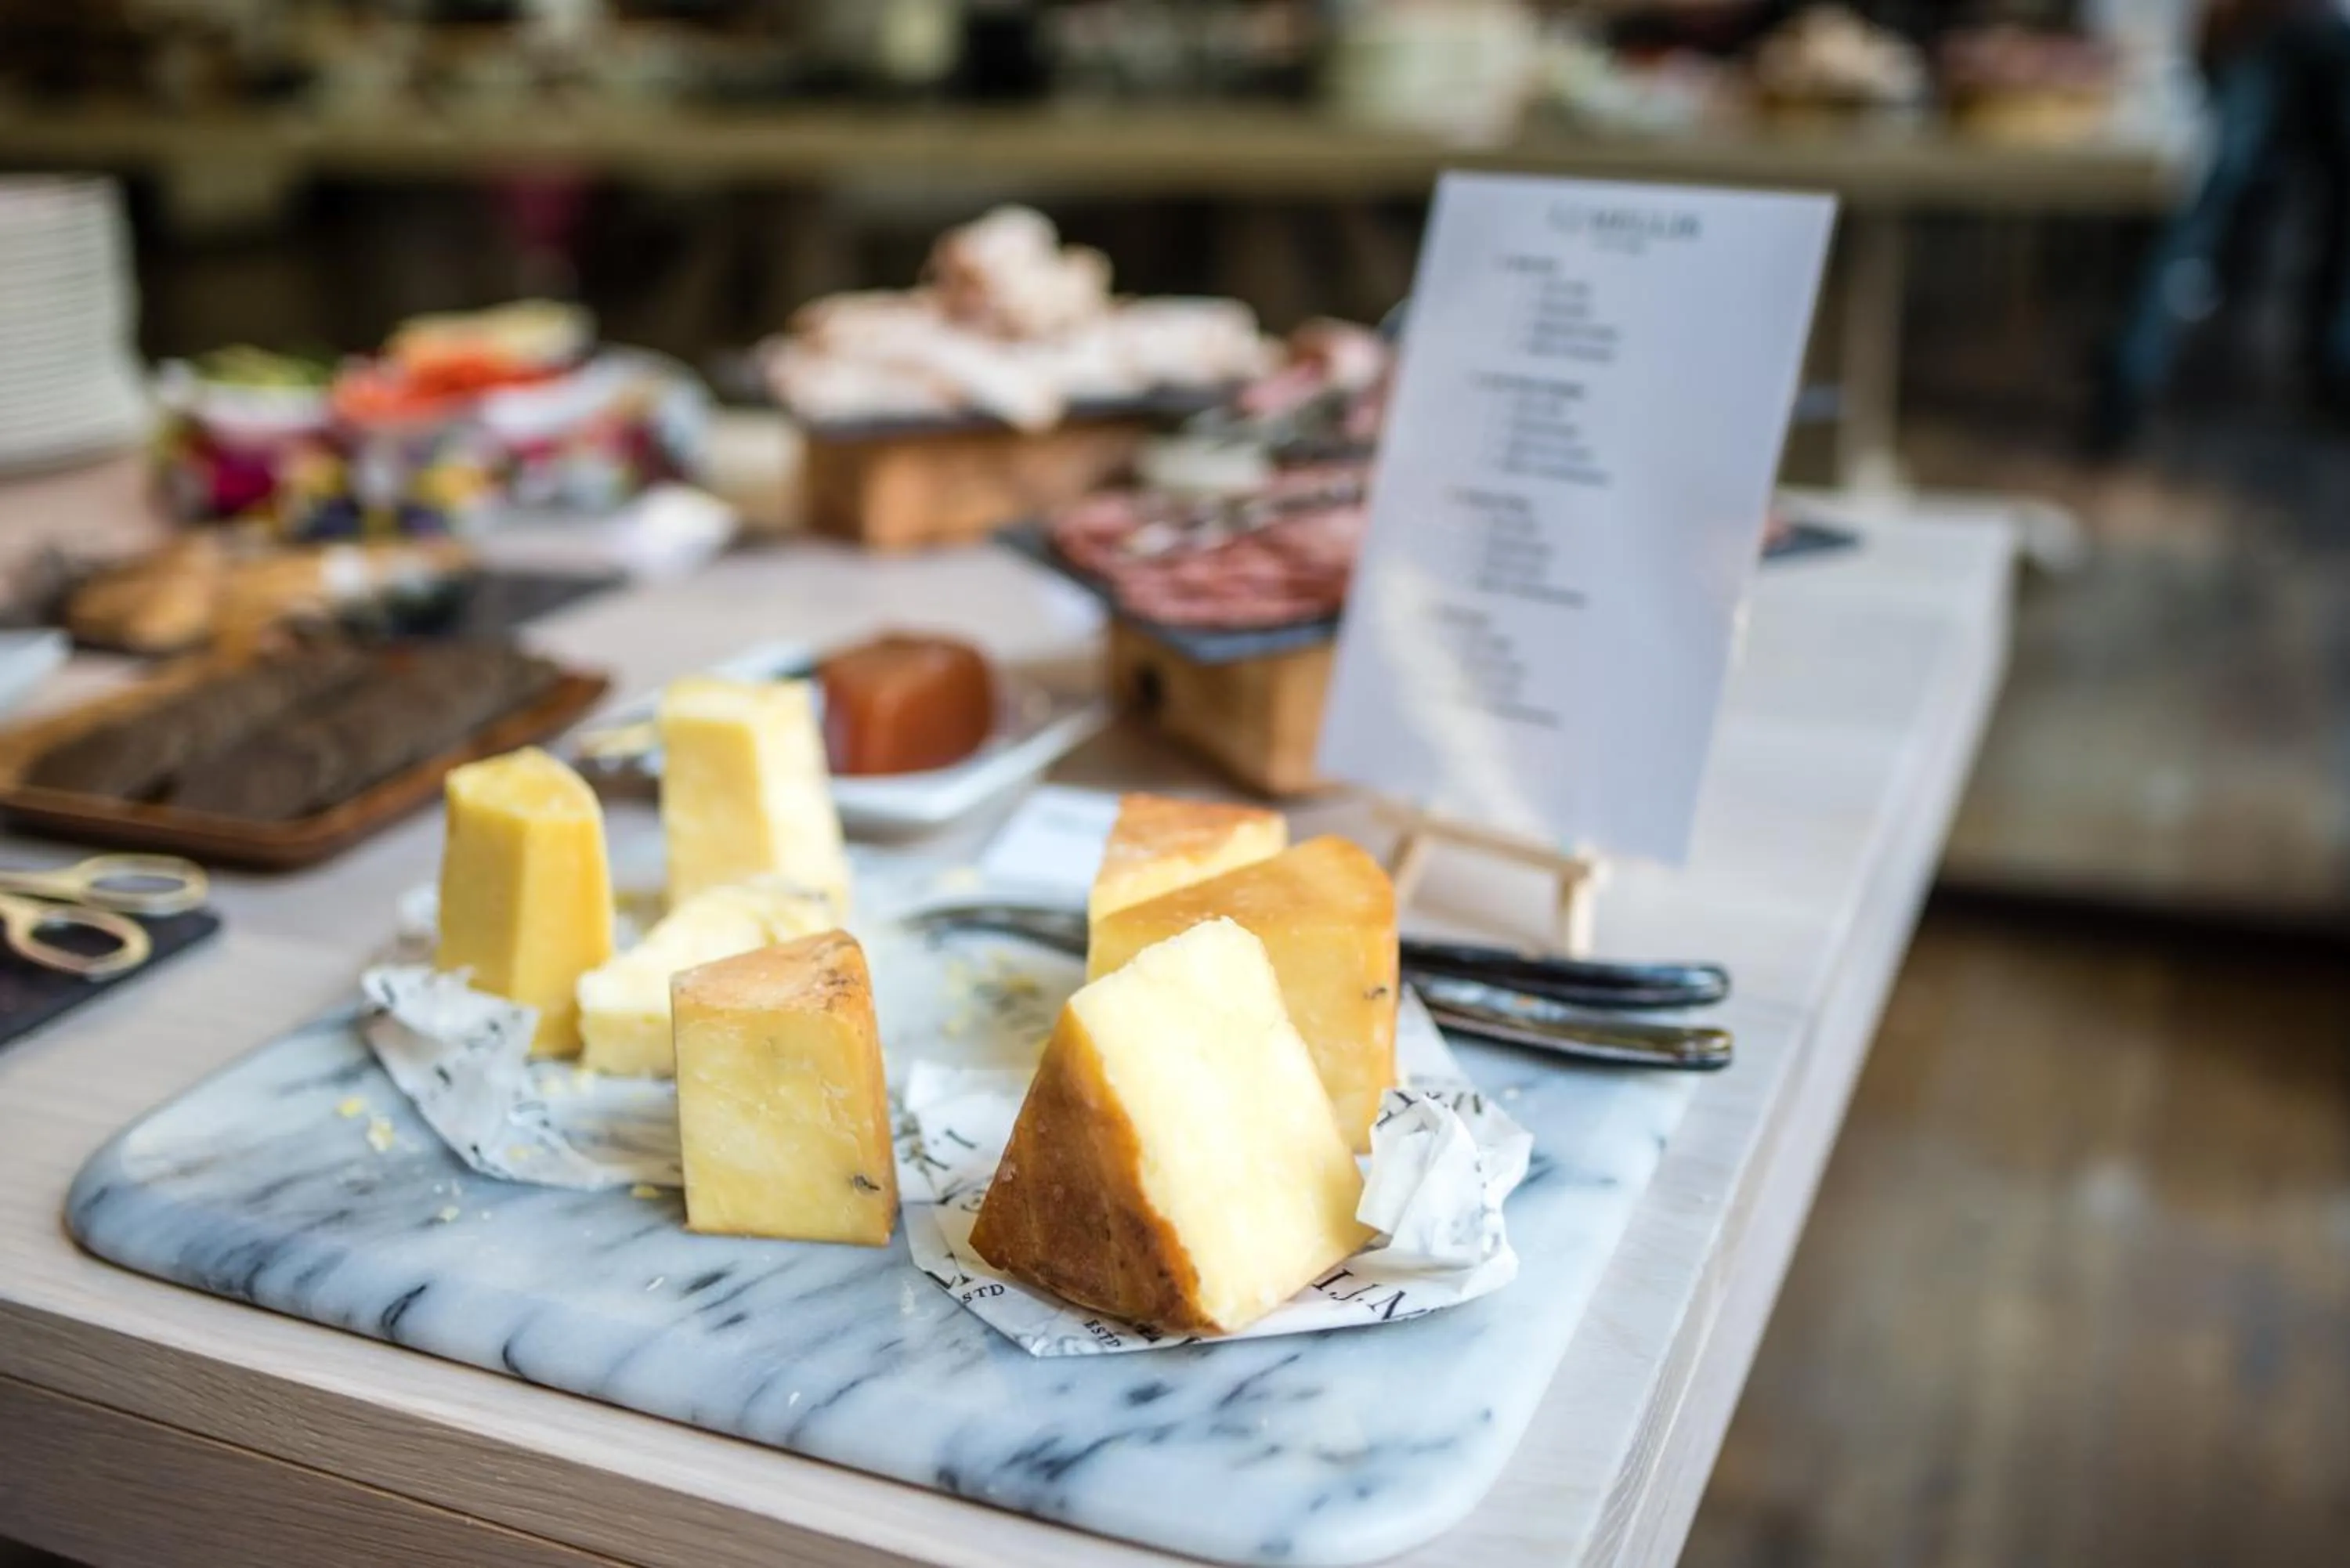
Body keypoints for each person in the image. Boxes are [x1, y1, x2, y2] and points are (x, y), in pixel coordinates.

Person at [2096, 0, 2350, 448]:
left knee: (2204, 202)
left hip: (2282, 26)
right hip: (2269, 23)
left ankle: (2128, 383)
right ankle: (2128, 382)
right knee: (2203, 197)